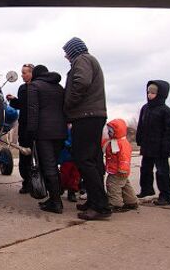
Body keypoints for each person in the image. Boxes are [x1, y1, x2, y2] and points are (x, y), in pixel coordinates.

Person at [62, 37, 111, 220]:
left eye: (67, 51)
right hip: (93, 116)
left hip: (86, 116)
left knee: (84, 159)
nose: (65, 55)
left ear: (74, 50)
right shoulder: (89, 60)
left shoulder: (82, 60)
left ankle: (100, 206)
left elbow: (81, 83)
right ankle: (95, 200)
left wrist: (69, 105)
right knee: (93, 160)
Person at [26, 65, 68, 213]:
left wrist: (31, 132)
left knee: (48, 166)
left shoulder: (35, 86)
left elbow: (32, 110)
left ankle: (56, 202)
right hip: (60, 131)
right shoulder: (59, 87)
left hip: (44, 132)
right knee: (54, 164)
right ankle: (55, 198)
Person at [135, 80, 170, 206]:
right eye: (148, 92)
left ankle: (166, 196)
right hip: (147, 147)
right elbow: (141, 125)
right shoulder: (145, 108)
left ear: (160, 94)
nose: (150, 95)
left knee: (162, 172)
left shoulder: (166, 111)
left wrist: (166, 147)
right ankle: (146, 190)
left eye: (153, 93)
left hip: (160, 149)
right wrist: (139, 139)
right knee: (145, 170)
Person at [6, 63, 34, 194]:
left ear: (32, 73)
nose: (22, 75)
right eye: (22, 72)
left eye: (24, 73)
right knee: (24, 157)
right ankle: (27, 182)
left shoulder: (37, 87)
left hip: (37, 128)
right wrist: (13, 100)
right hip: (24, 127)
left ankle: (41, 183)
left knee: (41, 157)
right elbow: (23, 105)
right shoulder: (22, 88)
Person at [103, 118, 139, 212]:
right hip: (117, 170)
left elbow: (124, 158)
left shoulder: (122, 144)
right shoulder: (113, 142)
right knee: (125, 185)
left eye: (111, 131)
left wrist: (123, 169)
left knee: (112, 185)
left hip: (118, 170)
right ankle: (131, 202)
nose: (109, 133)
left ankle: (115, 204)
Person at [58, 126, 80, 203]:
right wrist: (68, 145)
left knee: (75, 176)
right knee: (65, 174)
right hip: (66, 156)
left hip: (76, 157)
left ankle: (71, 192)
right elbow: (62, 139)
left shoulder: (79, 128)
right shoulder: (65, 129)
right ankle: (61, 187)